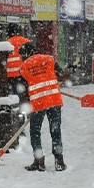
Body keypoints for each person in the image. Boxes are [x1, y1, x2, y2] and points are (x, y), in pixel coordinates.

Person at [19, 43, 68, 172]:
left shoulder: (24, 67)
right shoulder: (49, 59)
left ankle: (39, 161)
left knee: (35, 132)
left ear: (25, 54)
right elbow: (61, 74)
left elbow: (23, 90)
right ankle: (59, 161)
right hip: (54, 100)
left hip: (38, 103)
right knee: (55, 131)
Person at [5, 23, 31, 109]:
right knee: (25, 95)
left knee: (14, 97)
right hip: (24, 75)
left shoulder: (7, 43)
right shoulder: (26, 41)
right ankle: (26, 111)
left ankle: (16, 111)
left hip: (11, 76)